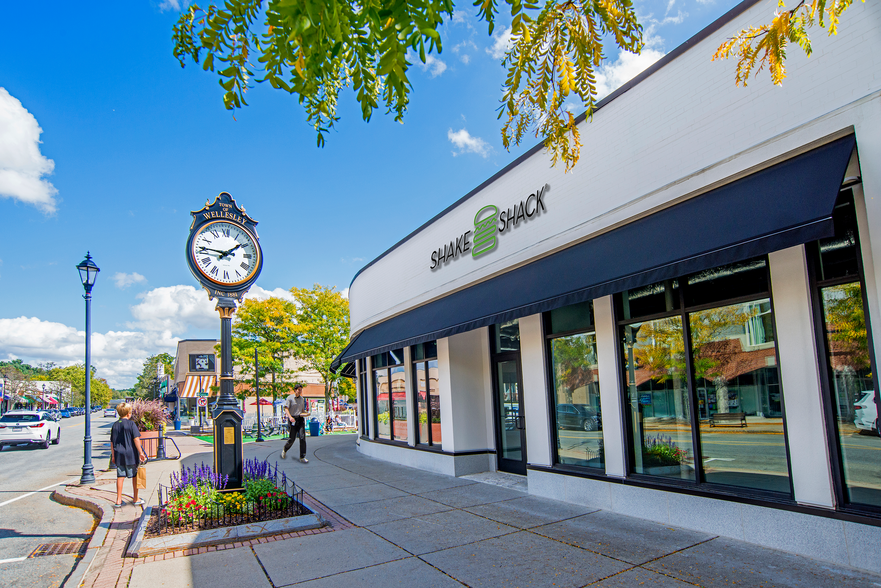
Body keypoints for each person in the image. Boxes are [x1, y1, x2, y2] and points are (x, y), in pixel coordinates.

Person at [110, 402, 147, 508]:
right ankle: (136, 498)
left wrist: (113, 456)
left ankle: (118, 500)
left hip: (119, 454)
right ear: (128, 414)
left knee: (120, 476)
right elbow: (136, 439)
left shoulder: (115, 425)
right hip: (131, 454)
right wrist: (141, 452)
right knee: (135, 475)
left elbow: (112, 442)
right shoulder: (131, 424)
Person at [281, 382, 310, 463]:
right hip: (292, 419)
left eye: (301, 390)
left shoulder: (302, 399)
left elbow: (302, 410)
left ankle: (302, 456)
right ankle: (285, 449)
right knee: (292, 439)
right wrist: (290, 417)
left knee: (302, 437)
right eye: (299, 390)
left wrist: (306, 413)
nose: (300, 391)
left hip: (300, 419)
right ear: (295, 390)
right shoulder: (290, 398)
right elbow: (286, 409)